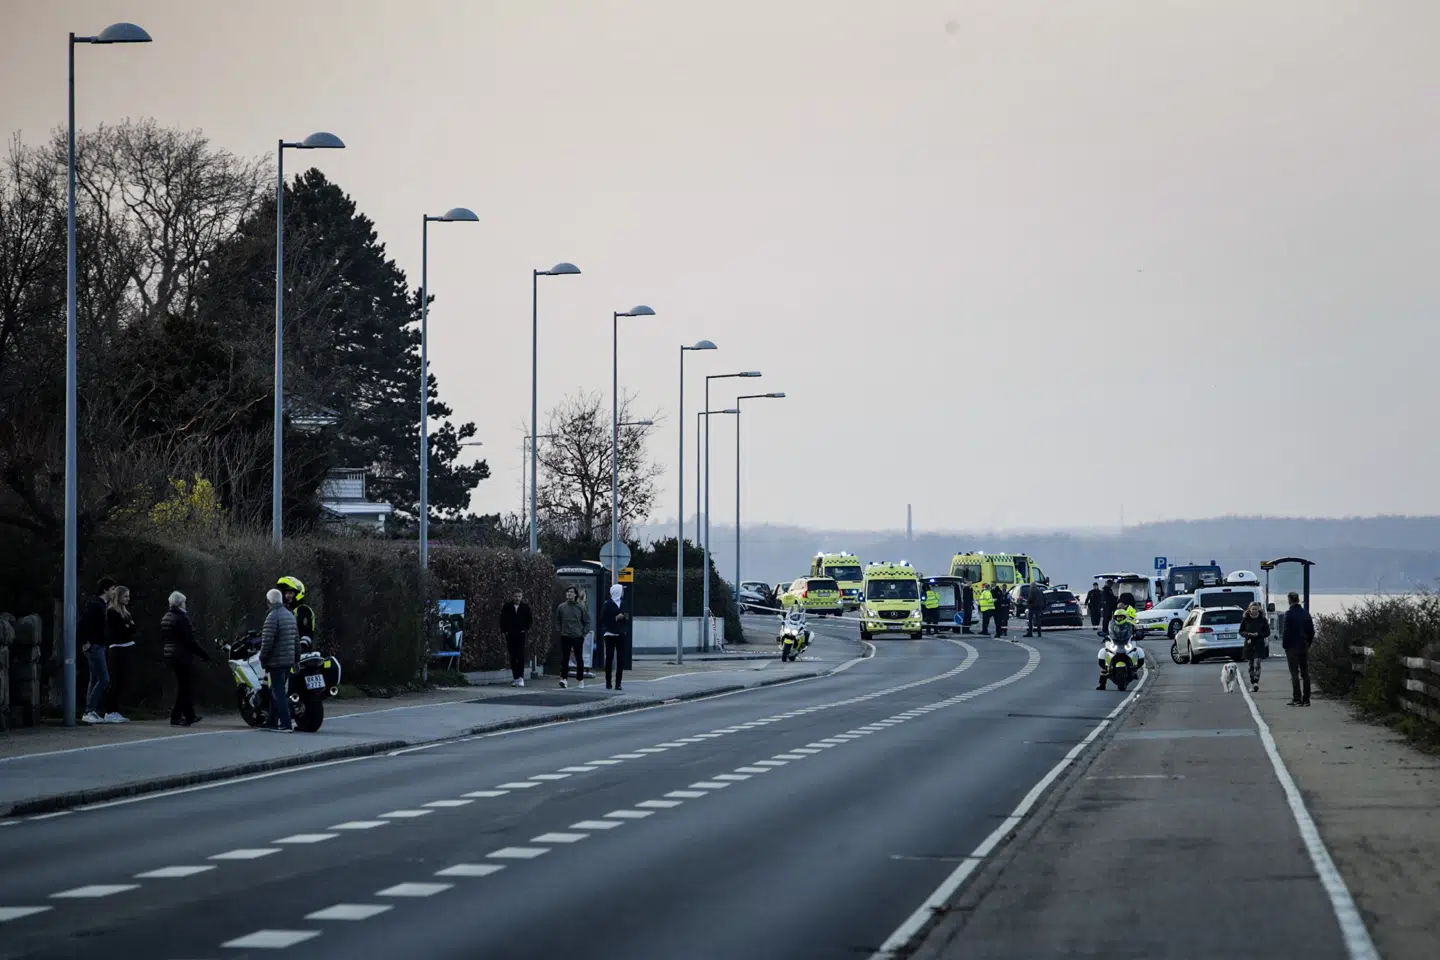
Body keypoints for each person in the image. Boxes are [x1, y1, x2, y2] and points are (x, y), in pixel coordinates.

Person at [161, 591, 211, 726]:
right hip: (182, 656)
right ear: (180, 604)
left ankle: (190, 715)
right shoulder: (182, 619)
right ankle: (176, 716)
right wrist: (205, 655)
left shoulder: (166, 617)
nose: (185, 605)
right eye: (184, 602)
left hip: (171, 655)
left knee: (185, 685)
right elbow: (190, 641)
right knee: (185, 687)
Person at [259, 588, 298, 731]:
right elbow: (296, 640)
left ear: (269, 601)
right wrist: (296, 658)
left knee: (279, 692)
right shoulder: (290, 615)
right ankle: (271, 721)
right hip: (288, 661)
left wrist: (263, 659)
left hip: (276, 661)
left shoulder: (272, 617)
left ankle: (286, 724)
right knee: (275, 690)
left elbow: (267, 642)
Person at [79, 576, 115, 724]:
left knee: (94, 678)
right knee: (104, 678)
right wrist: (85, 641)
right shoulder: (95, 605)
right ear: (105, 589)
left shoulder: (101, 604)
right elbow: (85, 623)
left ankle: (90, 710)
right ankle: (89, 710)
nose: (114, 592)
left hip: (99, 644)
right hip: (94, 645)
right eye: (112, 589)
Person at [102, 585, 137, 723]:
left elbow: (132, 628)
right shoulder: (112, 612)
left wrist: (128, 626)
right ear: (119, 597)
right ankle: (110, 711)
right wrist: (128, 627)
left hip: (126, 647)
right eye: (125, 596)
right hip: (117, 649)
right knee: (115, 680)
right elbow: (120, 631)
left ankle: (115, 710)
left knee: (122, 680)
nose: (128, 599)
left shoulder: (125, 612)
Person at [1282, 591, 1315, 706]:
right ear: (1298, 599)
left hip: (1292, 647)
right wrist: (1308, 643)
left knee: (1294, 673)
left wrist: (1285, 645)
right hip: (1303, 645)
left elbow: (1285, 632)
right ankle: (1306, 699)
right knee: (1305, 673)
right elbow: (1311, 631)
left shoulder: (1288, 614)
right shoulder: (1306, 614)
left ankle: (1297, 698)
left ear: (1289, 600)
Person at [555, 586, 590, 689]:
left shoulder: (581, 607)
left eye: (571, 592)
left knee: (579, 658)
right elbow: (557, 620)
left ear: (575, 594)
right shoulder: (561, 607)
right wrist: (560, 630)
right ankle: (564, 679)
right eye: (568, 592)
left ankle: (580, 679)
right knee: (565, 658)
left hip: (578, 636)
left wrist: (583, 634)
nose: (569, 594)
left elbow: (587, 621)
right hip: (565, 635)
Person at [499, 588, 533, 687]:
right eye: (515, 596)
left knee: (521, 656)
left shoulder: (525, 607)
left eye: (519, 596)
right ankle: (515, 678)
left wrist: (525, 629)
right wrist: (504, 631)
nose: (517, 598)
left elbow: (529, 620)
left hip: (521, 634)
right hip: (510, 634)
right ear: (512, 596)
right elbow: (502, 619)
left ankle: (521, 677)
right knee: (513, 656)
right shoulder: (507, 606)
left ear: (522, 596)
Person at [599, 583, 628, 691]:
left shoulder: (624, 603)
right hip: (610, 634)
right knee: (609, 658)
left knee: (621, 659)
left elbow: (626, 617)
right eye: (621, 591)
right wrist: (615, 618)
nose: (623, 593)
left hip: (621, 634)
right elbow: (603, 619)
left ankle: (618, 684)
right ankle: (608, 682)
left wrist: (625, 618)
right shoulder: (608, 604)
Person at [1239, 601, 1271, 693]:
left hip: (1259, 644)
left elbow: (1267, 632)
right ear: (1249, 609)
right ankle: (1252, 682)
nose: (1254, 611)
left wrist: (1259, 634)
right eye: (1253, 609)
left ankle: (1256, 682)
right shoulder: (1245, 619)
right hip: (1249, 644)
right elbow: (1241, 631)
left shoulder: (1262, 619)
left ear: (1258, 610)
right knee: (1250, 665)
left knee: (1257, 663)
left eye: (1256, 609)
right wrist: (1248, 634)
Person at [276, 576, 315, 643]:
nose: (287, 596)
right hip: (283, 650)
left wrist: (304, 642)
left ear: (297, 594)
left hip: (300, 650)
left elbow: (307, 631)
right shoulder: (282, 610)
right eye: (286, 593)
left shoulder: (303, 610)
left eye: (290, 593)